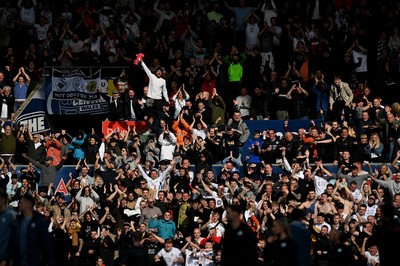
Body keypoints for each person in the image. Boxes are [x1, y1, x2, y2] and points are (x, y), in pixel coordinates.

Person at [12, 193, 54, 266]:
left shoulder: (39, 220)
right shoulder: (18, 220)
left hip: (34, 261)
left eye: (22, 202)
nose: (20, 205)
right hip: (19, 261)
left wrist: (50, 261)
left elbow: (46, 242)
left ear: (28, 204)